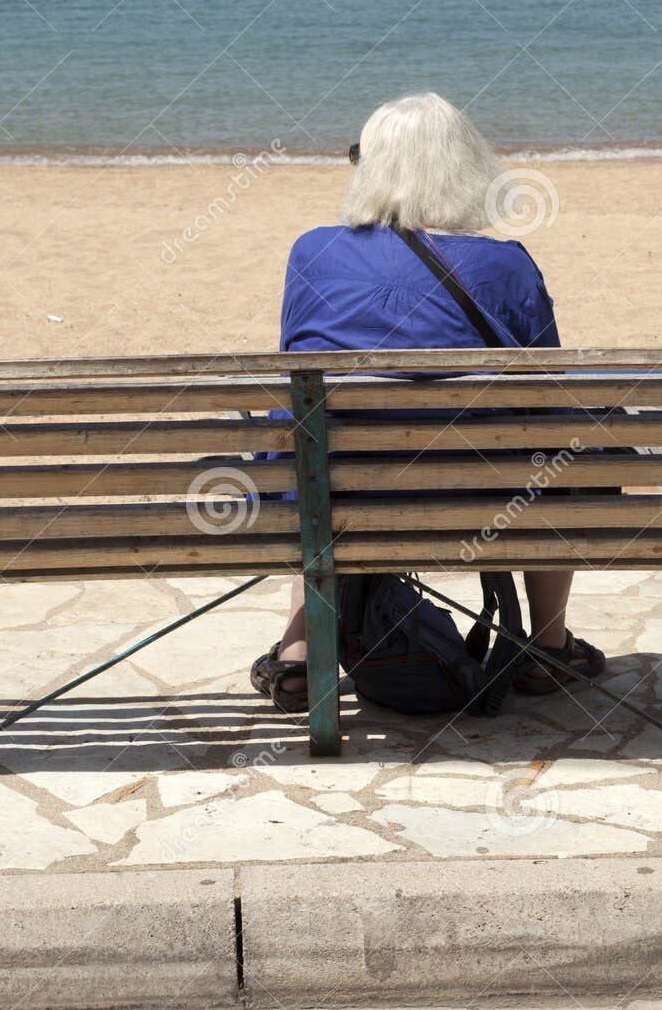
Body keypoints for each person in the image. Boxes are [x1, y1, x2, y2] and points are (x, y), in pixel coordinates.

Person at [250, 91, 606, 708]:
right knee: (562, 449)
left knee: (308, 445)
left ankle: (301, 651)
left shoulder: (314, 251)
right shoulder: (507, 266)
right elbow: (549, 393)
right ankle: (545, 648)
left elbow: (298, 367)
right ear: (465, 170)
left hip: (337, 494)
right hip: (486, 502)